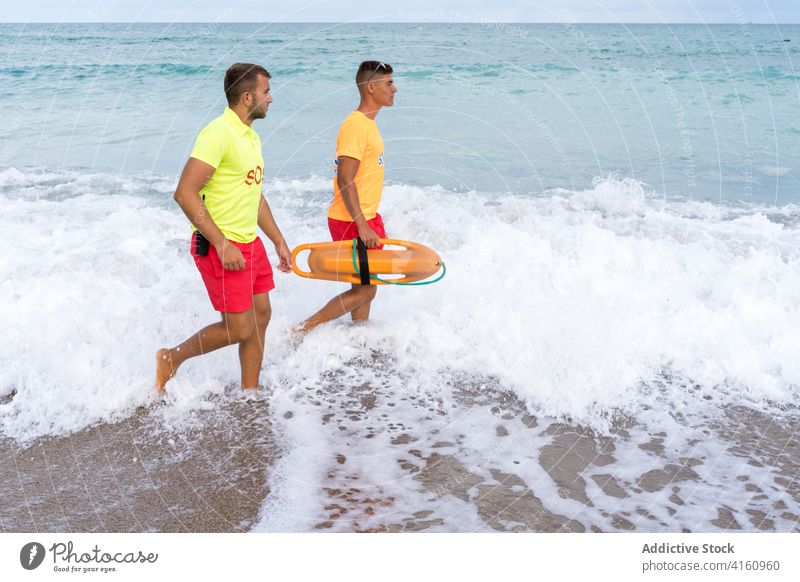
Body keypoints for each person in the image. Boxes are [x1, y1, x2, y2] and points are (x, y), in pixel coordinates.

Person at [155, 63, 292, 394]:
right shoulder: (218, 133)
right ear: (247, 97)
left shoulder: (251, 137)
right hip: (222, 245)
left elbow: (254, 196)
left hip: (249, 243)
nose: (271, 98)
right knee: (239, 328)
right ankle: (171, 358)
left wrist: (277, 240)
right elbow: (184, 193)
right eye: (266, 91)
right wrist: (221, 243)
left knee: (261, 317)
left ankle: (250, 394)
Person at [296, 60, 396, 334]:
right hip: (352, 220)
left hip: (363, 217)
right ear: (371, 87)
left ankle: (357, 338)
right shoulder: (356, 126)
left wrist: (368, 220)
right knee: (365, 291)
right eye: (389, 83)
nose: (394, 88)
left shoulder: (368, 124)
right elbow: (345, 177)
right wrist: (362, 224)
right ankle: (302, 330)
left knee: (366, 287)